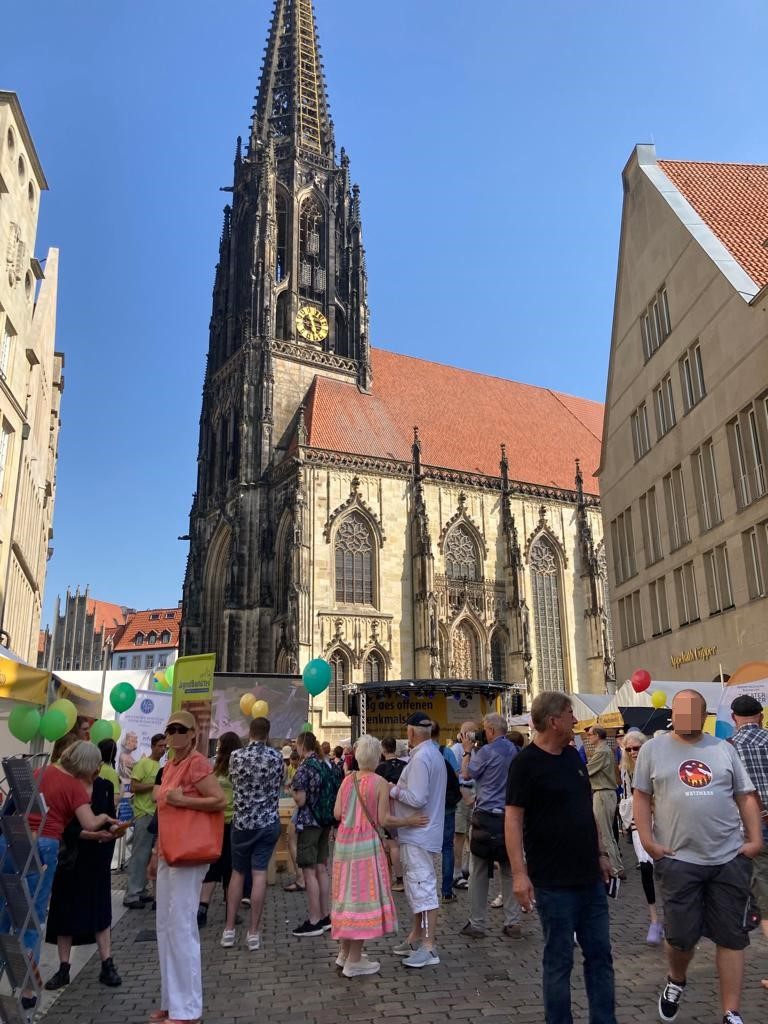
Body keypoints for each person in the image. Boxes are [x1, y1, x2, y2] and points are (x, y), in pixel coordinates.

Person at [633, 689, 762, 1024]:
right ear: (672, 714)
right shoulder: (652, 749)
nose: (685, 717)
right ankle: (676, 979)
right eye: (680, 711)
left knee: (732, 937)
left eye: (693, 712)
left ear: (703, 715)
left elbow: (745, 795)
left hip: (728, 857)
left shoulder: (723, 748)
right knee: (681, 936)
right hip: (678, 858)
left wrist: (754, 839)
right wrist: (648, 841)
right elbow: (642, 797)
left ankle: (730, 1012)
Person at [505, 691, 616, 1024]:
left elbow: (586, 810)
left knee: (600, 956)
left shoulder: (572, 756)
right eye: (570, 713)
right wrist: (519, 874)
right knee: (558, 961)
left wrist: (600, 853)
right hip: (553, 882)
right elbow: (512, 819)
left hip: (589, 879)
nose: (576, 720)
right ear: (553, 721)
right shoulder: (525, 763)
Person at [0, 740, 117, 1011]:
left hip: (11, 841)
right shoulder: (74, 787)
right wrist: (105, 819)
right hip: (42, 846)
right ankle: (29, 990)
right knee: (32, 918)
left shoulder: (40, 772)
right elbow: (88, 822)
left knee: (5, 909)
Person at [332, 735, 427, 977]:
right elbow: (384, 819)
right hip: (366, 846)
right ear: (377, 757)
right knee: (362, 899)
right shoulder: (380, 783)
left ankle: (344, 954)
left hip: (344, 845)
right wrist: (409, 820)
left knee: (346, 897)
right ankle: (354, 960)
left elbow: (337, 813)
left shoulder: (347, 780)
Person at [153, 710, 226, 1024]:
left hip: (189, 853)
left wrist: (185, 802)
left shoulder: (197, 762)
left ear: (193, 734)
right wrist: (157, 850)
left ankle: (189, 1009)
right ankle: (172, 1002)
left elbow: (219, 800)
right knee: (165, 928)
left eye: (180, 729)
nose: (173, 734)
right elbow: (164, 811)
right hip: (169, 852)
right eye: (170, 729)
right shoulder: (170, 764)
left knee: (182, 927)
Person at [44, 747, 122, 991]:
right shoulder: (68, 784)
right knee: (64, 910)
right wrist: (86, 833)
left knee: (100, 910)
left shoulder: (105, 786)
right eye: (94, 764)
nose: (97, 769)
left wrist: (112, 832)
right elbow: (62, 823)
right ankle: (64, 967)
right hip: (71, 855)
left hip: (97, 856)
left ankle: (107, 963)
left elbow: (109, 816)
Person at [389, 711, 447, 969]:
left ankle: (428, 946)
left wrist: (392, 789)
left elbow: (417, 797)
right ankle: (415, 937)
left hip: (419, 834)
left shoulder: (423, 757)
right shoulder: (431, 753)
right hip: (420, 833)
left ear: (411, 732)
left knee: (423, 888)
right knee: (416, 887)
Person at [221, 717, 283, 950]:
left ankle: (229, 930)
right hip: (267, 823)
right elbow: (280, 783)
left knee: (237, 874)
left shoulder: (236, 757)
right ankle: (253, 933)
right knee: (259, 875)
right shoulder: (276, 757)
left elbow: (233, 782)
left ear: (250, 733)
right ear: (267, 734)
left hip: (242, 824)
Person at [459, 712, 521, 939]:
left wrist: (467, 750)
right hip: (509, 817)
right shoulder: (515, 751)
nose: (483, 733)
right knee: (508, 869)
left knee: (479, 871)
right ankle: (513, 922)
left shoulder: (486, 752)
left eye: (485, 729)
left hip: (485, 817)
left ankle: (477, 924)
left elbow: (467, 773)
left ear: (492, 731)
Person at [729, 693, 768, 969]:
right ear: (761, 716)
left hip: (753, 831)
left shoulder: (726, 748)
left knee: (765, 901)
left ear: (734, 719)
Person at [291, 730, 340, 936]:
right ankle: (326, 915)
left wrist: (293, 792)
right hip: (325, 821)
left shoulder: (304, 768)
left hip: (310, 822)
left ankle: (314, 919)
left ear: (302, 746)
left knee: (309, 870)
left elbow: (301, 800)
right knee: (322, 868)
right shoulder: (325, 765)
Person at [618, 730, 662, 944]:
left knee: (665, 869)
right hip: (638, 823)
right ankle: (654, 920)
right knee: (646, 868)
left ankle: (672, 915)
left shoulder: (656, 765)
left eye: (637, 748)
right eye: (629, 749)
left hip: (661, 821)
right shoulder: (626, 770)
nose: (633, 752)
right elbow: (627, 796)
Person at [197, 731, 241, 928]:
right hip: (233, 821)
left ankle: (202, 907)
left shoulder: (211, 766)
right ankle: (231, 910)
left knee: (213, 865)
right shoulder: (239, 766)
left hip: (213, 822)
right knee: (231, 867)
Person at [124, 732, 167, 909]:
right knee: (139, 855)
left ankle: (140, 890)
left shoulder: (161, 765)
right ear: (152, 746)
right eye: (160, 746)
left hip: (156, 814)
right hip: (143, 814)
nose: (163, 749)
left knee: (148, 856)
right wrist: (155, 785)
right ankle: (131, 894)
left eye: (165, 746)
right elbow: (134, 786)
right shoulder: (143, 764)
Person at [586, 726, 624, 879]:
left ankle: (614, 868)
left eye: (589, 735)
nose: (588, 737)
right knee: (608, 832)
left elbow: (587, 770)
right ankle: (618, 866)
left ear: (596, 735)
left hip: (602, 793)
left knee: (603, 833)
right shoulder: (605, 750)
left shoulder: (601, 751)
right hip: (606, 793)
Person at [431, 721, 461, 904]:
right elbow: (457, 776)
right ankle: (447, 891)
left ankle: (425, 891)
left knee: (425, 849)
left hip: (427, 808)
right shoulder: (445, 752)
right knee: (447, 848)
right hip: (446, 807)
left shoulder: (418, 754)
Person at [375, 736, 405, 891]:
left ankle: (398, 879)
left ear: (383, 750)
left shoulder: (380, 769)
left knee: (392, 846)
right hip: (405, 808)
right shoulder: (405, 765)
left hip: (387, 809)